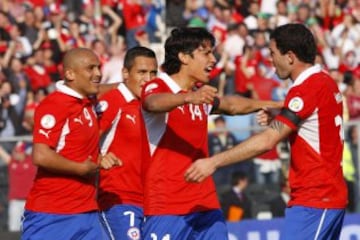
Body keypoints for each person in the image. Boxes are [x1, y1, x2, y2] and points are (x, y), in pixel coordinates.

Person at [185, 23, 348, 240]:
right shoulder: (325, 81)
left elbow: (267, 140)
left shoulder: (307, 88)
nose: (270, 60)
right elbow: (313, 120)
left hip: (316, 199)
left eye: (273, 53)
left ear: (290, 56)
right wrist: (282, 115)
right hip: (324, 196)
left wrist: (213, 161)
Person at [141, 27, 282, 240]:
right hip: (167, 205)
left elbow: (232, 105)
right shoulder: (159, 85)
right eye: (206, 53)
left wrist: (273, 104)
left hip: (205, 204)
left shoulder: (199, 93)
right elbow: (152, 103)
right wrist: (188, 98)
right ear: (183, 57)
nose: (213, 59)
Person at [21, 48, 117, 240]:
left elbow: (73, 148)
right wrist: (81, 169)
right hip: (52, 214)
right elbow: (40, 155)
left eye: (98, 67)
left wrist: (100, 158)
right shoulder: (54, 105)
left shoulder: (87, 102)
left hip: (87, 213)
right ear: (70, 74)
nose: (98, 73)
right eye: (91, 68)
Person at [97, 46, 158, 239]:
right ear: (125, 73)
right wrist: (99, 158)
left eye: (153, 73)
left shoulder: (152, 105)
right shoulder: (114, 100)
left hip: (151, 201)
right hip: (119, 198)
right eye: (141, 72)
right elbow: (85, 138)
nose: (148, 79)